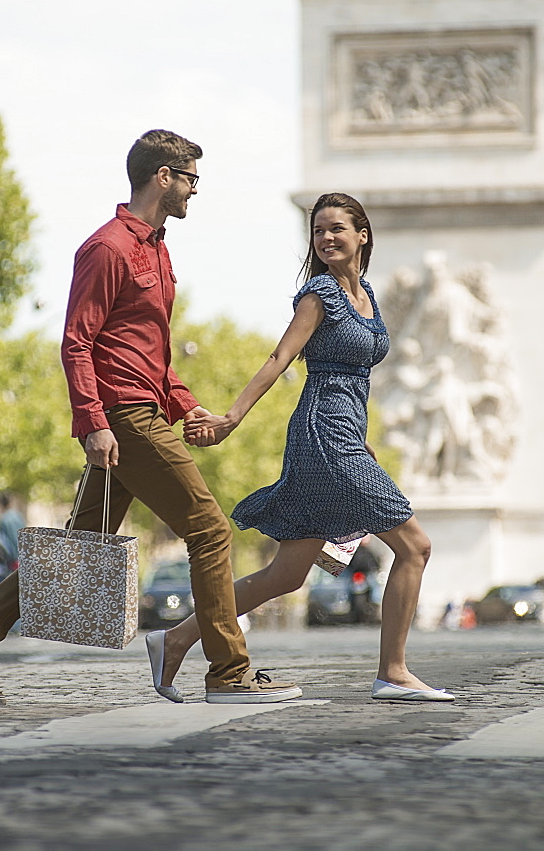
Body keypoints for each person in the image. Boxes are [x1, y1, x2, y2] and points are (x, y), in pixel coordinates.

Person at [0, 130, 301, 709]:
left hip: (145, 409)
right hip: (122, 416)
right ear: (162, 176)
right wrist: (93, 422)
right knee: (210, 530)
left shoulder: (159, 251)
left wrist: (187, 406)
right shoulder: (108, 248)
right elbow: (77, 342)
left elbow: (152, 354)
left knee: (75, 550)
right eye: (191, 179)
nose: (196, 191)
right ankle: (228, 671)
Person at [168, 191, 454, 703]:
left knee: (286, 574)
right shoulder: (319, 293)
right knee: (415, 546)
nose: (325, 238)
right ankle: (393, 672)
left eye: (336, 229)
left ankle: (176, 638)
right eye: (318, 230)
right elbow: (280, 357)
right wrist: (230, 418)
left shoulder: (365, 292)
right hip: (325, 434)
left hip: (346, 432)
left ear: (362, 235)